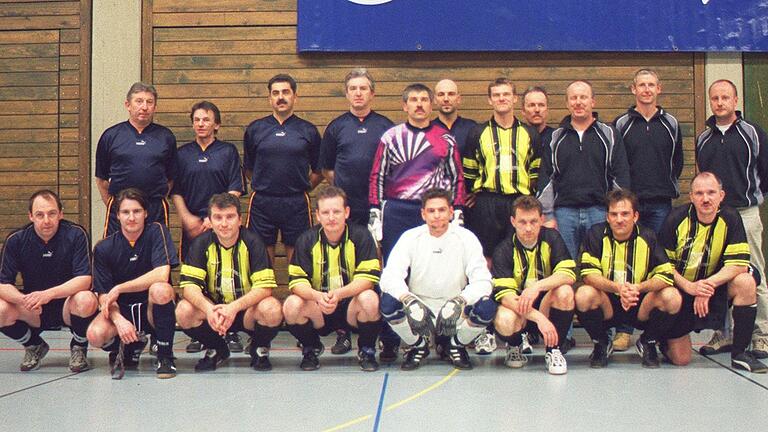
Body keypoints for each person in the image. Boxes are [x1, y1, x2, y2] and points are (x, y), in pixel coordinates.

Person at [368, 83, 466, 361]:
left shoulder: (445, 138)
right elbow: (377, 175)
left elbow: (457, 176)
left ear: (431, 104)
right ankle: (390, 340)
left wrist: (457, 210)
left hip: (434, 211)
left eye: (424, 99)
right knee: (395, 274)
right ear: (405, 106)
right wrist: (375, 211)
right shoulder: (391, 137)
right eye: (413, 100)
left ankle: (445, 338)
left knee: (442, 270)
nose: (419, 104)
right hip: (398, 210)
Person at [660, 172, 767, 373]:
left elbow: (740, 264)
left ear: (721, 195)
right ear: (691, 197)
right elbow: (663, 268)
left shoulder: (731, 218)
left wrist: (706, 286)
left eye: (711, 192)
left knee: (746, 281)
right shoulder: (675, 219)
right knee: (681, 359)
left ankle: (740, 354)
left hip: (712, 290)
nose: (705, 199)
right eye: (699, 193)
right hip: (683, 291)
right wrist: (691, 287)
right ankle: (664, 339)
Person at [379, 188, 496, 370]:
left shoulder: (466, 238)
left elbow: (483, 280)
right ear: (423, 214)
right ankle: (418, 345)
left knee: (487, 306)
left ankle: (456, 345)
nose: (437, 215)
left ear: (451, 212)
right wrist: (407, 299)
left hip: (456, 308)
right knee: (387, 302)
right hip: (419, 310)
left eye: (442, 210)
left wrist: (461, 300)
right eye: (431, 211)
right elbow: (389, 276)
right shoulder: (410, 237)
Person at [319, 69, 393, 355]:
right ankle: (342, 332)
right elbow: (326, 169)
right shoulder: (336, 127)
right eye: (353, 88)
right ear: (346, 93)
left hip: (378, 209)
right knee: (343, 268)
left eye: (363, 88)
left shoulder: (386, 126)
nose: (358, 93)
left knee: (381, 269)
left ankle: (382, 330)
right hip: (346, 211)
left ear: (372, 93)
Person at [611, 69, 684, 352]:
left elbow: (676, 162)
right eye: (641, 85)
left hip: (662, 204)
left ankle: (656, 328)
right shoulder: (621, 124)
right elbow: (615, 164)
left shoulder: (672, 123)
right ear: (633, 90)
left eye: (651, 85)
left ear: (659, 88)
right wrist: (626, 202)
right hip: (631, 208)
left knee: (658, 265)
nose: (646, 89)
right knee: (628, 264)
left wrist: (663, 186)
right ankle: (624, 329)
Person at [696, 79, 768, 359]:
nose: (720, 102)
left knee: (754, 274)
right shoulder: (704, 138)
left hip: (746, 213)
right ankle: (723, 334)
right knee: (717, 274)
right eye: (715, 98)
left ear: (735, 101)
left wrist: (751, 198)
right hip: (717, 218)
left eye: (725, 97)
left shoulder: (753, 133)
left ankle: (762, 335)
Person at [176, 193, 283, 372]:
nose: (224, 224)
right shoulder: (200, 244)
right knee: (183, 310)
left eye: (230, 217)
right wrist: (209, 309)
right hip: (215, 314)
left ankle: (258, 348)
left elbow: (265, 289)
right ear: (209, 221)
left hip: (245, 311)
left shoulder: (254, 242)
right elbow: (189, 288)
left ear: (240, 220)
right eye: (218, 217)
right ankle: (217, 349)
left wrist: (232, 308)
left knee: (272, 308)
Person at [171, 100, 245, 354]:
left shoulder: (227, 152)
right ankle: (201, 331)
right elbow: (176, 192)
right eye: (197, 120)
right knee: (196, 278)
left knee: (228, 276)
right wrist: (188, 219)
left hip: (222, 226)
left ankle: (231, 330)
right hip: (193, 228)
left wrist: (214, 220)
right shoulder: (182, 154)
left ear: (217, 124)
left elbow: (235, 189)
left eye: (206, 119)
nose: (201, 124)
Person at [575, 189, 680, 368]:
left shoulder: (648, 237)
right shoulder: (596, 234)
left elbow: (666, 275)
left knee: (672, 296)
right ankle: (601, 343)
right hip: (608, 303)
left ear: (635, 216)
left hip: (638, 302)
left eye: (625, 214)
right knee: (583, 294)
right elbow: (588, 275)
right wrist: (618, 288)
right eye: (614, 214)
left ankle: (648, 342)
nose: (619, 219)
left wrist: (637, 288)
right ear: (607, 217)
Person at [283, 186, 382, 371]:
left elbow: (368, 280)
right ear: (317, 215)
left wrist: (338, 294)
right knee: (292, 304)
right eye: (325, 212)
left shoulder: (361, 236)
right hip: (320, 307)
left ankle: (366, 350)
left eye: (336, 211)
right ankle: (311, 348)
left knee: (369, 299)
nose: (331, 217)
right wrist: (318, 296)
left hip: (350, 307)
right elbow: (297, 283)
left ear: (346, 212)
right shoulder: (306, 239)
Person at [86, 188, 179, 379]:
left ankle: (165, 356)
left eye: (137, 211)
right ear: (117, 216)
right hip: (123, 310)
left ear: (145, 213)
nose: (131, 217)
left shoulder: (157, 232)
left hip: (151, 309)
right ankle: (129, 346)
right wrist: (119, 320)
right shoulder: (104, 248)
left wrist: (120, 287)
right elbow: (104, 295)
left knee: (162, 289)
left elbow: (162, 273)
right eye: (125, 212)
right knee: (95, 334)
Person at [0, 190, 97, 372]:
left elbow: (85, 279)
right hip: (34, 309)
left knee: (86, 299)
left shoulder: (76, 235)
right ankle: (33, 345)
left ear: (61, 213)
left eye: (52, 213)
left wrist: (48, 294)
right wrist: (24, 300)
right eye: (40, 215)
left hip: (67, 306)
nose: (46, 220)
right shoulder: (16, 240)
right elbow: (3, 284)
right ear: (31, 216)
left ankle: (78, 346)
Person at [538, 80, 630, 259]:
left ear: (592, 102)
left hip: (600, 211)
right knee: (564, 268)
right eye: (573, 98)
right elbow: (546, 178)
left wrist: (618, 211)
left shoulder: (609, 134)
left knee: (601, 267)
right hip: (564, 213)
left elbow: (620, 175)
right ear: (567, 103)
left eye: (583, 97)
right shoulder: (555, 138)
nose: (578, 102)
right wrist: (548, 215)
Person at [491, 195, 576, 374]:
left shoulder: (552, 238)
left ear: (542, 220)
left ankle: (553, 350)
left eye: (533, 221)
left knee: (565, 292)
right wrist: (540, 319)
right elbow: (506, 298)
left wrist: (536, 287)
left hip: (546, 303)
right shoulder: (503, 249)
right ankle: (514, 346)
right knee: (504, 318)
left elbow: (568, 275)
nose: (528, 228)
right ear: (513, 221)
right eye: (522, 222)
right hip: (521, 311)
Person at [243, 73, 322, 265]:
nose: (281, 97)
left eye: (286, 92)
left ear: (295, 96)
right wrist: (267, 184)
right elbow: (248, 169)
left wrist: (301, 186)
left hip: (296, 202)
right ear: (269, 98)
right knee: (261, 259)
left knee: (299, 259)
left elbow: (319, 170)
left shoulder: (308, 130)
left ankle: (299, 295)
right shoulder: (255, 129)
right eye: (275, 93)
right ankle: (264, 296)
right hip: (262, 201)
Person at [463, 77, 541, 261]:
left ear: (514, 98)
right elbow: (469, 169)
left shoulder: (530, 133)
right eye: (496, 95)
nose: (501, 98)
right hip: (487, 202)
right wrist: (475, 192)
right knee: (486, 256)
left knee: (516, 254)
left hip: (518, 201)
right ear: (490, 100)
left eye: (506, 94)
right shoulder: (477, 132)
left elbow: (535, 170)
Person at [95, 82, 177, 237]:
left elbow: (171, 178)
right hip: (121, 207)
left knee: (157, 255)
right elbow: (101, 179)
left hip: (155, 208)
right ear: (128, 105)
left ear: (155, 107)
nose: (144, 107)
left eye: (149, 102)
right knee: (116, 255)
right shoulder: (111, 136)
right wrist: (119, 206)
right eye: (139, 101)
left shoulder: (166, 137)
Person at [432, 79, 477, 156]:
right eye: (441, 94)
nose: (446, 99)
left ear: (458, 99)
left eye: (451, 94)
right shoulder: (428, 130)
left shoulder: (472, 128)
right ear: (435, 100)